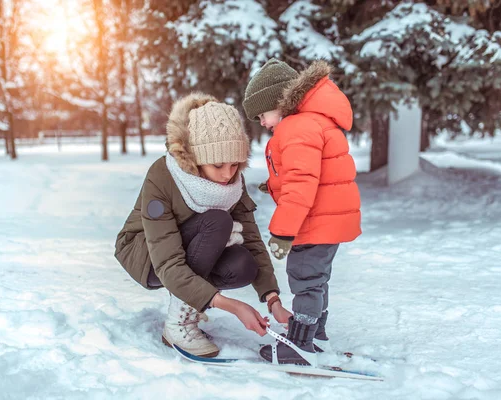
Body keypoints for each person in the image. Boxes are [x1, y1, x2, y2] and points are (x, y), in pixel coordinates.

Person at [115, 92, 292, 357]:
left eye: (235, 164)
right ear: (195, 157)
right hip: (146, 256)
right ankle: (178, 323)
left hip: (193, 250)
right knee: (218, 221)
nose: (227, 174)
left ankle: (190, 305)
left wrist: (272, 298)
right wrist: (230, 305)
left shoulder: (232, 182)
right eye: (218, 164)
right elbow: (168, 263)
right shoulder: (163, 175)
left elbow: (252, 239)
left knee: (243, 264)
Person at [242, 59, 362, 365]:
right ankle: (315, 335)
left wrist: (282, 232)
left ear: (280, 102)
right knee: (316, 279)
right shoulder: (312, 122)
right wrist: (275, 184)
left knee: (305, 278)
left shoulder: (297, 127)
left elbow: (301, 185)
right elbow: (309, 175)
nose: (263, 122)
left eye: (263, 114)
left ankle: (299, 346)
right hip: (327, 220)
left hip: (313, 221)